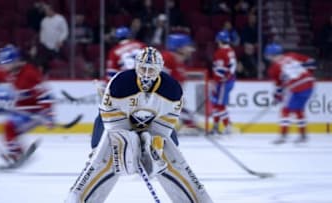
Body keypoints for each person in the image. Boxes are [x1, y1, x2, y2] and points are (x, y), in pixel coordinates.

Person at [65, 47, 212, 203]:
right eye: (143, 68)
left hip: (151, 126)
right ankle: (78, 197)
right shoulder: (119, 84)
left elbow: (162, 129)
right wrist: (132, 143)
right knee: (107, 156)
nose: (147, 74)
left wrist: (151, 143)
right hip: (116, 124)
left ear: (160, 69)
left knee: (169, 158)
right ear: (136, 66)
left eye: (151, 70)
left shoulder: (172, 90)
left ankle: (198, 199)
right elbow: (113, 127)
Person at [0, 44, 54, 167]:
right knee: (7, 128)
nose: (3, 66)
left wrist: (48, 113)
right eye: (2, 64)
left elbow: (44, 94)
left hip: (35, 112)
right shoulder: (6, 72)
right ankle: (16, 154)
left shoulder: (30, 73)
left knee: (9, 126)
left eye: (6, 63)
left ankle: (16, 154)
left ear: (15, 62)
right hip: (21, 110)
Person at [264, 43, 316, 144]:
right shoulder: (292, 55)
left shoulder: (274, 68)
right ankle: (303, 135)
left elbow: (279, 87)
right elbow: (312, 63)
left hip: (297, 86)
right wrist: (304, 73)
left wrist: (277, 97)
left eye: (270, 56)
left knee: (285, 110)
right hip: (310, 83)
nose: (270, 58)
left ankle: (283, 136)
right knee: (298, 110)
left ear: (272, 55)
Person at [162, 33, 200, 130]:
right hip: (159, 103)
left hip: (170, 101)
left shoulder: (181, 63)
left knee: (192, 117)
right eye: (188, 46)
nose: (191, 50)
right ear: (178, 48)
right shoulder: (166, 58)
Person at [210, 30, 236, 135]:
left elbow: (220, 71)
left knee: (220, 105)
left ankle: (227, 126)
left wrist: (216, 82)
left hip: (223, 82)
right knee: (216, 103)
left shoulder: (220, 52)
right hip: (229, 81)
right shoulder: (230, 50)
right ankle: (216, 126)